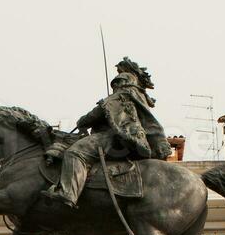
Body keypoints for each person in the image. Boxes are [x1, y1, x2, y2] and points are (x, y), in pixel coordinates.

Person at [47, 57, 173, 208]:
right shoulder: (138, 97)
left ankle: (68, 193)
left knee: (75, 152)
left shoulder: (120, 96)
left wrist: (83, 121)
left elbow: (93, 115)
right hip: (135, 141)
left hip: (117, 139)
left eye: (116, 83)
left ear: (121, 82)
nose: (115, 87)